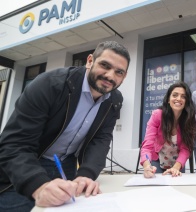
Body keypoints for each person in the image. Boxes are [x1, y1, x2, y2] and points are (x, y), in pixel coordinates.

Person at [0, 41, 130, 211]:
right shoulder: (49, 84)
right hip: (30, 163)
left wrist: (86, 174)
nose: (110, 76)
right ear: (90, 60)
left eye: (119, 72)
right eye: (105, 65)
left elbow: (101, 139)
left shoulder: (115, 100)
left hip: (67, 165)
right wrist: (37, 186)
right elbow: (14, 143)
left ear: (124, 76)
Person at [140, 82, 196, 178]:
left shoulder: (189, 120)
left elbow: (186, 149)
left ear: (186, 101)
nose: (178, 99)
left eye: (183, 96)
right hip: (158, 159)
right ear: (168, 100)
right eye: (175, 95)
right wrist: (147, 166)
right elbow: (147, 146)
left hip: (178, 162)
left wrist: (176, 167)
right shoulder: (157, 115)